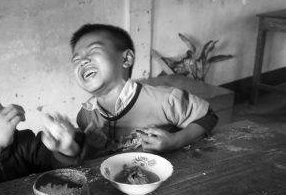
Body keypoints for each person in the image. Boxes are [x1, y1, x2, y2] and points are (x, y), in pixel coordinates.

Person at [70, 23, 218, 158]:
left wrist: (176, 141)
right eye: (76, 60)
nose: (83, 61)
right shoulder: (85, 117)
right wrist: (91, 146)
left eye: (94, 50)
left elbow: (208, 117)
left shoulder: (165, 100)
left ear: (126, 59)